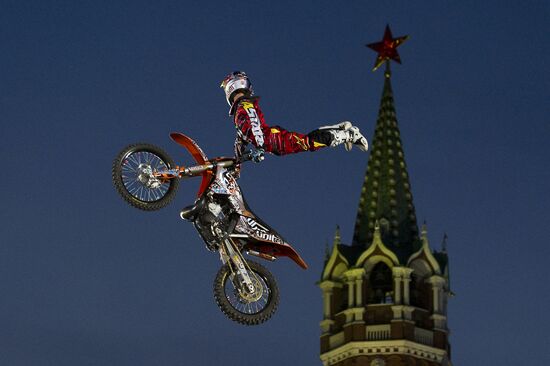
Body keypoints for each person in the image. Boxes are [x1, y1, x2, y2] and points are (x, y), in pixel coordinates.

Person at [220, 71, 368, 162]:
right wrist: (239, 148)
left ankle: (347, 134)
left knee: (307, 143)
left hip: (272, 139)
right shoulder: (242, 106)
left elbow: (253, 124)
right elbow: (246, 129)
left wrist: (259, 145)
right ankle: (336, 129)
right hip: (270, 141)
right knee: (306, 142)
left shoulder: (245, 105)